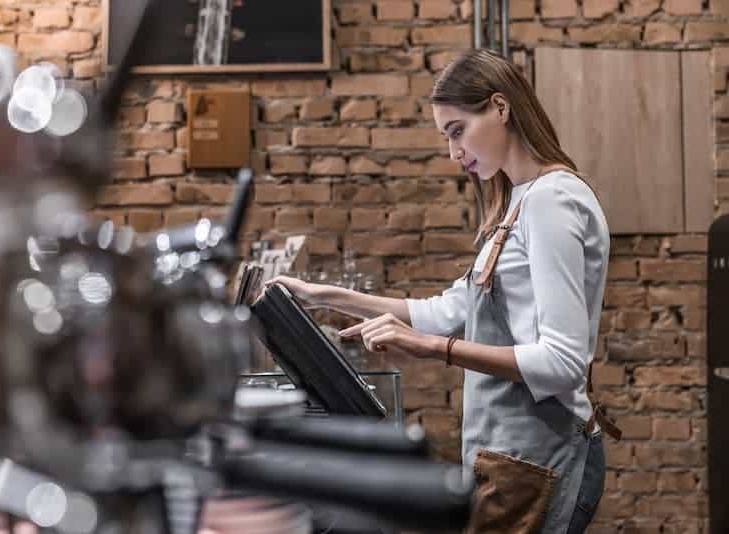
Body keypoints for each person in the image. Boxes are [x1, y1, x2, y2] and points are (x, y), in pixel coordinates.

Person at [263, 48, 621, 533]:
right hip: (518, 456)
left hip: (546, 457)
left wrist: (433, 349)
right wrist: (322, 295)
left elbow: (561, 364)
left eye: (458, 131)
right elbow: (448, 309)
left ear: (500, 107)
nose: (454, 153)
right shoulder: (518, 202)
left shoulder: (552, 200)